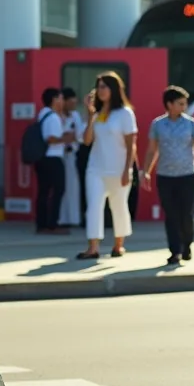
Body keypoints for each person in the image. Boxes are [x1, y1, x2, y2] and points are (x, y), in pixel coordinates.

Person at [142, 85, 194, 265]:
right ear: (169, 104)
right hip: (165, 176)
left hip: (187, 175)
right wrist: (146, 171)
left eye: (185, 103)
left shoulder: (192, 124)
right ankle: (174, 250)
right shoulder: (157, 125)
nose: (184, 107)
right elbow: (152, 150)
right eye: (180, 103)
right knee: (170, 214)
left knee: (186, 214)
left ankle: (187, 244)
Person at [78, 72, 137, 259]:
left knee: (118, 206)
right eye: (99, 86)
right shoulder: (97, 114)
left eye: (104, 86)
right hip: (96, 168)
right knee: (94, 206)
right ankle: (93, 247)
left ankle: (118, 245)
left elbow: (131, 144)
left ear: (114, 89)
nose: (100, 90)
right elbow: (87, 141)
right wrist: (90, 115)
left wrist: (128, 169)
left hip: (118, 169)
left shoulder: (125, 113)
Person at [34, 87, 70, 234]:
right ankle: (52, 224)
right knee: (58, 190)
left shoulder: (43, 114)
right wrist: (67, 138)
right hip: (53, 159)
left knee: (43, 191)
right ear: (54, 100)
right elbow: (51, 138)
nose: (62, 102)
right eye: (61, 98)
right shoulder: (53, 117)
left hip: (42, 159)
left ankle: (42, 223)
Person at [59, 87, 85, 227]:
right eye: (71, 103)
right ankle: (61, 219)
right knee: (60, 188)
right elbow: (58, 136)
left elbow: (79, 135)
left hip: (71, 155)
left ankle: (74, 219)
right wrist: (68, 136)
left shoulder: (75, 116)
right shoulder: (56, 115)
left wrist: (72, 136)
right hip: (57, 155)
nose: (73, 106)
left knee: (73, 188)